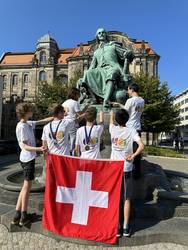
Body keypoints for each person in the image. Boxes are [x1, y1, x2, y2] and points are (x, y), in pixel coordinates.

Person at [12, 103, 53, 226]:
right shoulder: (22, 127)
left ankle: (17, 215)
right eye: (30, 110)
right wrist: (39, 149)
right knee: (27, 188)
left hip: (28, 158)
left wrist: (55, 117)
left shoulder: (28, 123)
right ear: (25, 112)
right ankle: (24, 216)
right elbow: (24, 146)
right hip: (27, 159)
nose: (32, 111)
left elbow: (42, 121)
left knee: (24, 187)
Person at [78, 28, 134, 108]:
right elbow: (92, 66)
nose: (101, 34)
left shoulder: (113, 46)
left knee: (111, 73)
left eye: (103, 32)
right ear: (97, 36)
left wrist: (128, 53)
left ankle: (106, 99)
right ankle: (95, 99)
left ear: (106, 35)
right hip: (100, 70)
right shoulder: (96, 52)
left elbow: (126, 53)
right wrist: (84, 79)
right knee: (88, 73)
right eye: (99, 33)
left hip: (114, 67)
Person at [109, 109, 144, 237]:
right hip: (126, 167)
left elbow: (111, 119)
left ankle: (117, 227)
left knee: (116, 198)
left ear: (117, 120)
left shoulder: (112, 129)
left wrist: (112, 113)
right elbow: (141, 145)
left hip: (114, 169)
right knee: (127, 198)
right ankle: (125, 227)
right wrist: (133, 155)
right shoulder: (131, 131)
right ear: (127, 119)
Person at [112, 83, 145, 179]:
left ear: (132, 90)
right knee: (137, 152)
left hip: (130, 128)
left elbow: (125, 112)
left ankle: (128, 173)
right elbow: (133, 110)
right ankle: (137, 174)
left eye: (128, 90)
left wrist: (118, 106)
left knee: (128, 152)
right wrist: (120, 104)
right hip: (138, 127)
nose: (127, 92)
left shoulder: (130, 101)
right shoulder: (142, 100)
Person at [62, 87, 82, 155]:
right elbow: (80, 115)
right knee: (74, 144)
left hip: (64, 125)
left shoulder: (64, 103)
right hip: (73, 125)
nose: (79, 97)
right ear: (75, 94)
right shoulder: (75, 103)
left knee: (67, 143)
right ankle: (73, 159)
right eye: (78, 95)